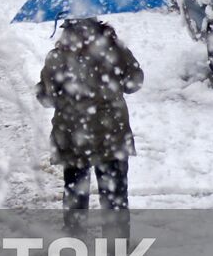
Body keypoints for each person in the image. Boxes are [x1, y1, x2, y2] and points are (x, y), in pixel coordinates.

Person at [35, 18, 143, 235]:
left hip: (74, 134)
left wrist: (43, 89)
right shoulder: (115, 51)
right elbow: (135, 82)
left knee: (75, 191)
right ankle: (116, 247)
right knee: (115, 195)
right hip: (112, 133)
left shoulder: (57, 58)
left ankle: (75, 239)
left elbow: (47, 98)